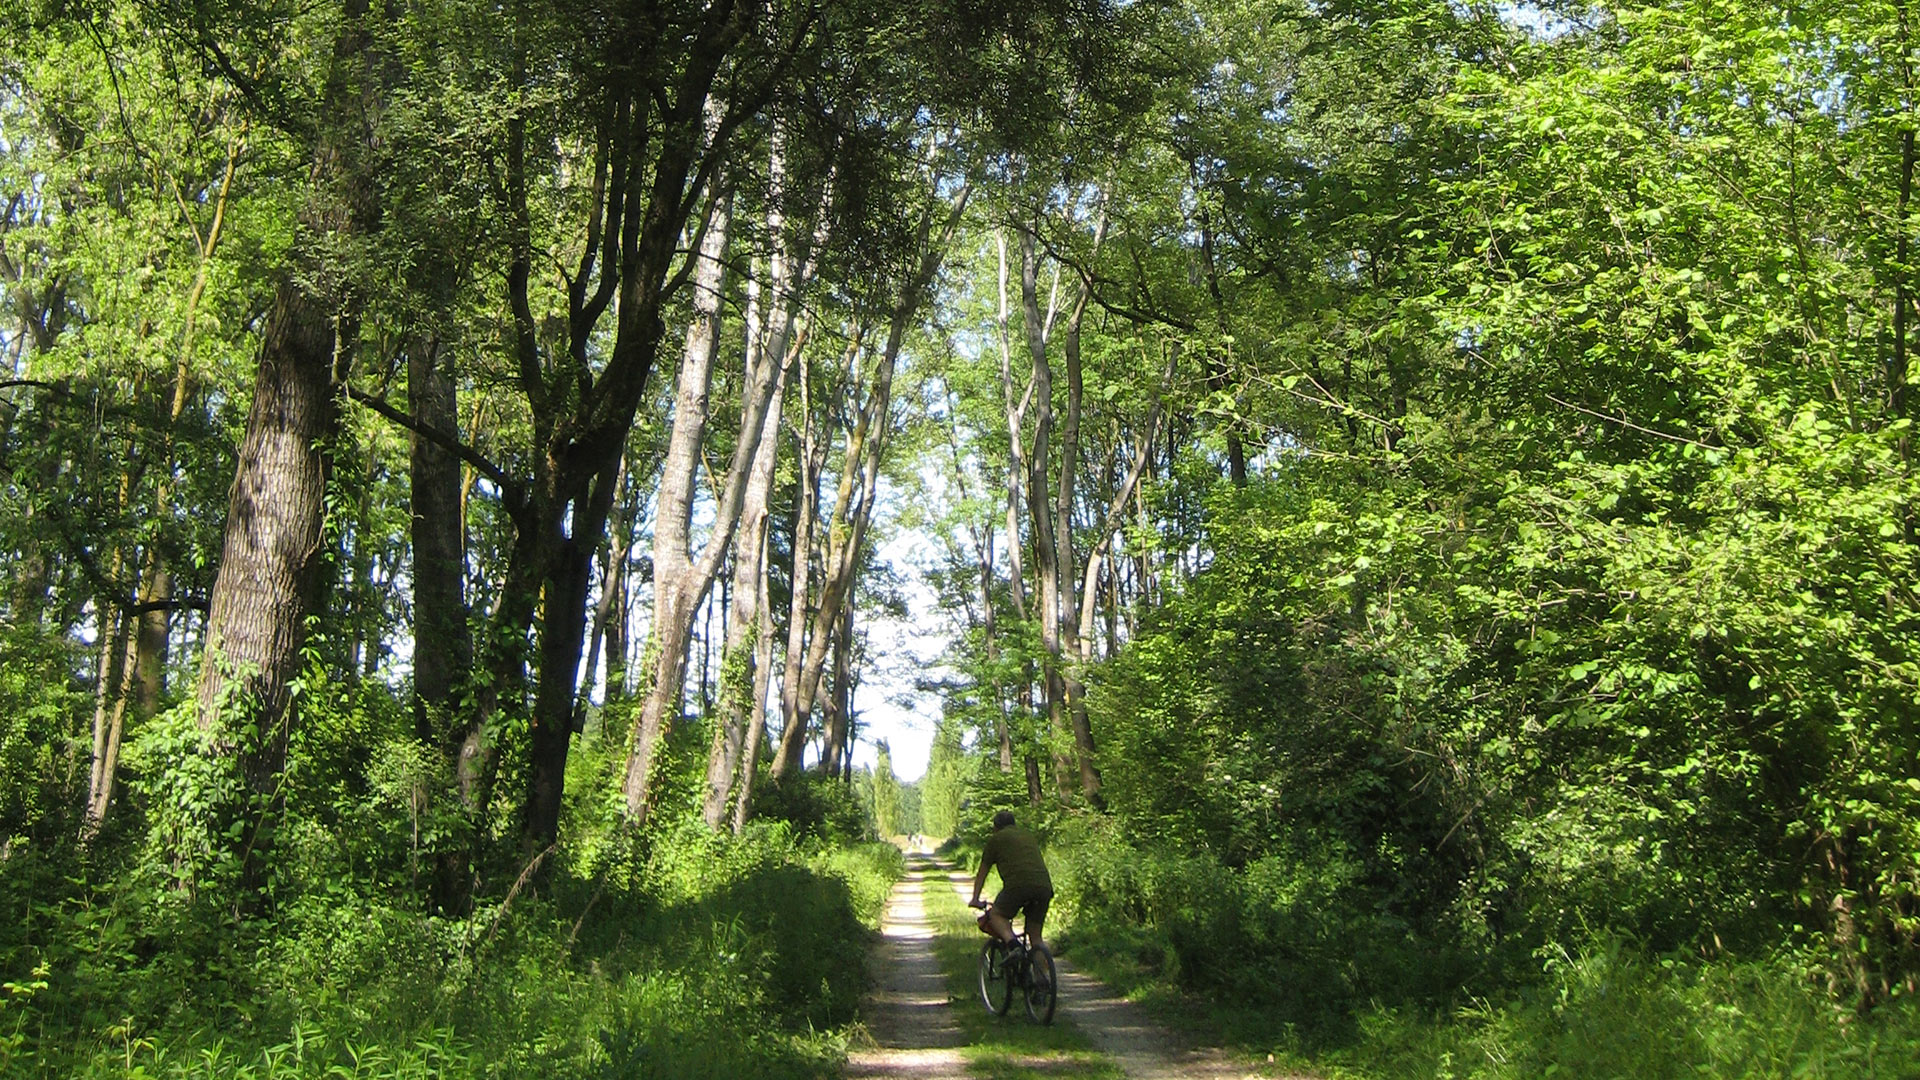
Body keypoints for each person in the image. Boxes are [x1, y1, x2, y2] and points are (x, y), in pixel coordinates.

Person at [969, 809, 1054, 957]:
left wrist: (975, 899)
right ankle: (1042, 979)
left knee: (996, 914)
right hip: (1044, 887)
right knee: (1035, 936)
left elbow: (982, 873)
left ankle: (1013, 945)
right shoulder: (1027, 835)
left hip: (1018, 886)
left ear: (995, 827)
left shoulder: (996, 839)